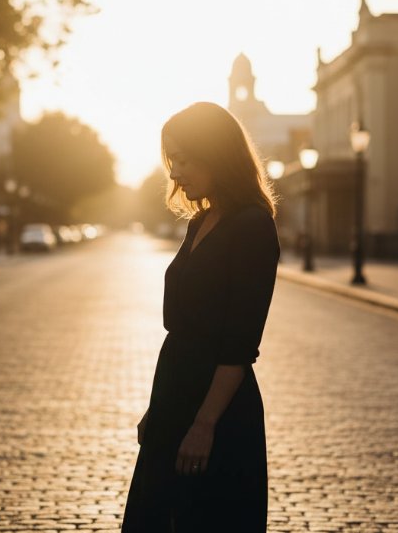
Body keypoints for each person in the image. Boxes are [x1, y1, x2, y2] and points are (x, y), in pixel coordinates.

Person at [122, 102, 280, 532]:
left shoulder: (252, 226)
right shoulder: (201, 221)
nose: (174, 173)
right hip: (174, 398)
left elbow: (239, 343)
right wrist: (160, 409)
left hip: (217, 412)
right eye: (172, 161)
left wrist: (204, 425)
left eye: (184, 159)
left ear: (217, 154)